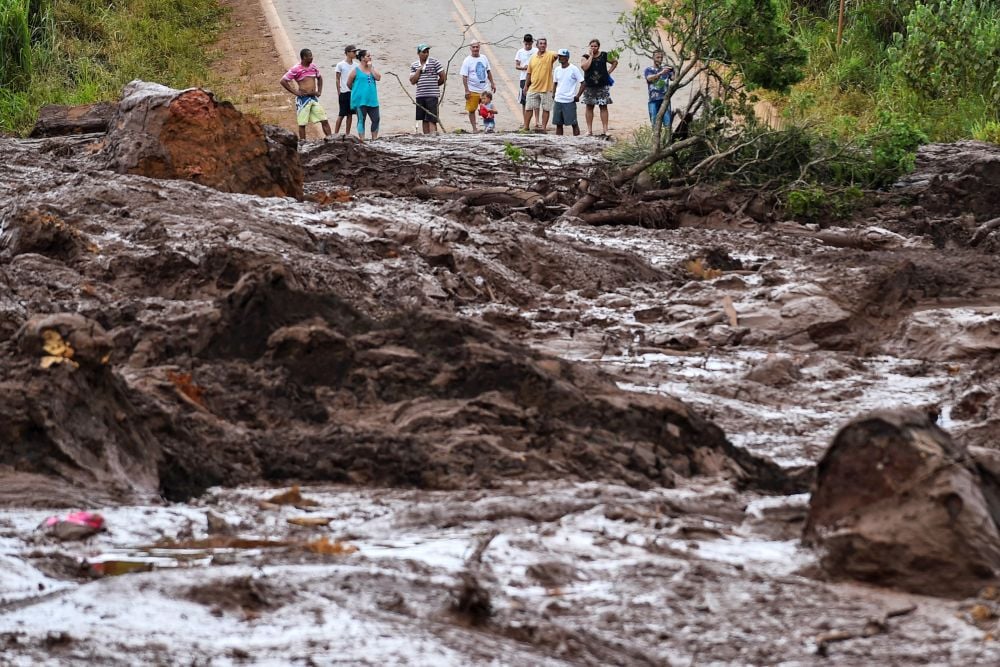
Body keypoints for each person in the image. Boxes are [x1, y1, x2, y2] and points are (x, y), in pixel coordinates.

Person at [280, 48, 332, 140]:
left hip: (313, 98)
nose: (312, 57)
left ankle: (331, 139)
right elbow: (283, 81)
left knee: (324, 119)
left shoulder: (313, 67)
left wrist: (319, 91)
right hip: (303, 100)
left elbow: (319, 78)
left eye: (311, 55)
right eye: (310, 56)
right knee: (302, 123)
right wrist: (295, 92)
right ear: (304, 57)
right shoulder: (296, 69)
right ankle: (303, 143)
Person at [580, 39, 618, 136]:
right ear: (589, 46)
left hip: (602, 85)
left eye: (595, 46)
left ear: (598, 47)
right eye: (591, 46)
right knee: (589, 107)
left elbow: (615, 62)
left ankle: (605, 130)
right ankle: (589, 130)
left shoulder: (604, 55)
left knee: (603, 106)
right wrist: (591, 57)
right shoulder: (585, 57)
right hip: (590, 86)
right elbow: (585, 67)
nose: (593, 48)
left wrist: (609, 72)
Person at [523, 37, 558, 132]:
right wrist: (526, 86)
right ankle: (526, 127)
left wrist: (557, 55)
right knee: (528, 107)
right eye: (541, 43)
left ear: (546, 45)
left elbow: (557, 55)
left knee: (546, 109)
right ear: (537, 45)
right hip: (533, 87)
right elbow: (529, 73)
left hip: (546, 88)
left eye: (544, 43)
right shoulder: (533, 58)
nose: (542, 45)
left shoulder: (550, 55)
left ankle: (543, 128)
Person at [409, 43, 446, 134]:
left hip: (432, 95)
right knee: (423, 119)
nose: (426, 54)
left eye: (427, 52)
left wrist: (435, 85)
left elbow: (443, 77)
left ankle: (433, 136)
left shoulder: (434, 62)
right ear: (418, 53)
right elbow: (412, 81)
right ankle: (426, 137)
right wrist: (418, 71)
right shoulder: (414, 65)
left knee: (432, 119)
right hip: (420, 95)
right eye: (424, 52)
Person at [460, 42, 496, 133]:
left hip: (484, 88)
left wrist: (492, 83)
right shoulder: (467, 60)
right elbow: (464, 76)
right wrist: (466, 90)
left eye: (477, 47)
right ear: (470, 48)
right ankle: (474, 128)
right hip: (473, 89)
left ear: (479, 47)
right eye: (473, 47)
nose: (475, 49)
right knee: (472, 110)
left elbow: (488, 71)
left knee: (488, 108)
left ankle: (488, 126)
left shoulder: (484, 58)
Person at [347, 50, 381, 141]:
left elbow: (378, 78)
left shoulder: (371, 68)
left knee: (376, 119)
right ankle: (362, 140)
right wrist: (356, 91)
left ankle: (374, 139)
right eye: (368, 56)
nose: (370, 57)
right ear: (362, 58)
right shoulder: (356, 70)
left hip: (372, 99)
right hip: (360, 100)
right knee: (361, 120)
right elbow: (349, 83)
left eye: (370, 56)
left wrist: (371, 69)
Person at [552, 49, 584, 136]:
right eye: (560, 56)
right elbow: (555, 82)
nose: (561, 58)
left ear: (567, 58)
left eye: (563, 56)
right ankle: (559, 142)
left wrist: (578, 95)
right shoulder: (557, 69)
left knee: (574, 123)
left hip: (569, 101)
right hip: (558, 100)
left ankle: (577, 140)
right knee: (558, 124)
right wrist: (553, 93)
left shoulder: (573, 69)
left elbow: (583, 83)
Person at [644, 50, 674, 129]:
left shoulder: (667, 70)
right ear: (653, 58)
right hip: (653, 100)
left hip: (665, 100)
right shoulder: (648, 70)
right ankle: (657, 141)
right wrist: (661, 73)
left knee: (668, 124)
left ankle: (667, 140)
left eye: (661, 57)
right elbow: (649, 79)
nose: (660, 59)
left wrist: (675, 69)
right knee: (655, 124)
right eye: (657, 57)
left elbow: (674, 79)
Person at [514, 33, 537, 127]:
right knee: (524, 100)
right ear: (524, 43)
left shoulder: (536, 51)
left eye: (529, 44)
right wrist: (523, 68)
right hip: (523, 77)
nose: (528, 46)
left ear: (532, 43)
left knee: (535, 99)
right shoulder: (520, 52)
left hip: (534, 77)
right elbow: (516, 66)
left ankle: (536, 121)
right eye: (526, 44)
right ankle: (525, 121)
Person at [334, 45, 358, 136]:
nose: (355, 53)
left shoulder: (356, 65)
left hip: (352, 92)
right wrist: (338, 91)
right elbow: (337, 78)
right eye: (353, 52)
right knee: (341, 114)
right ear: (347, 53)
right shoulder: (340, 64)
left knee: (350, 114)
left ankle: (347, 134)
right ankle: (335, 133)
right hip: (344, 91)